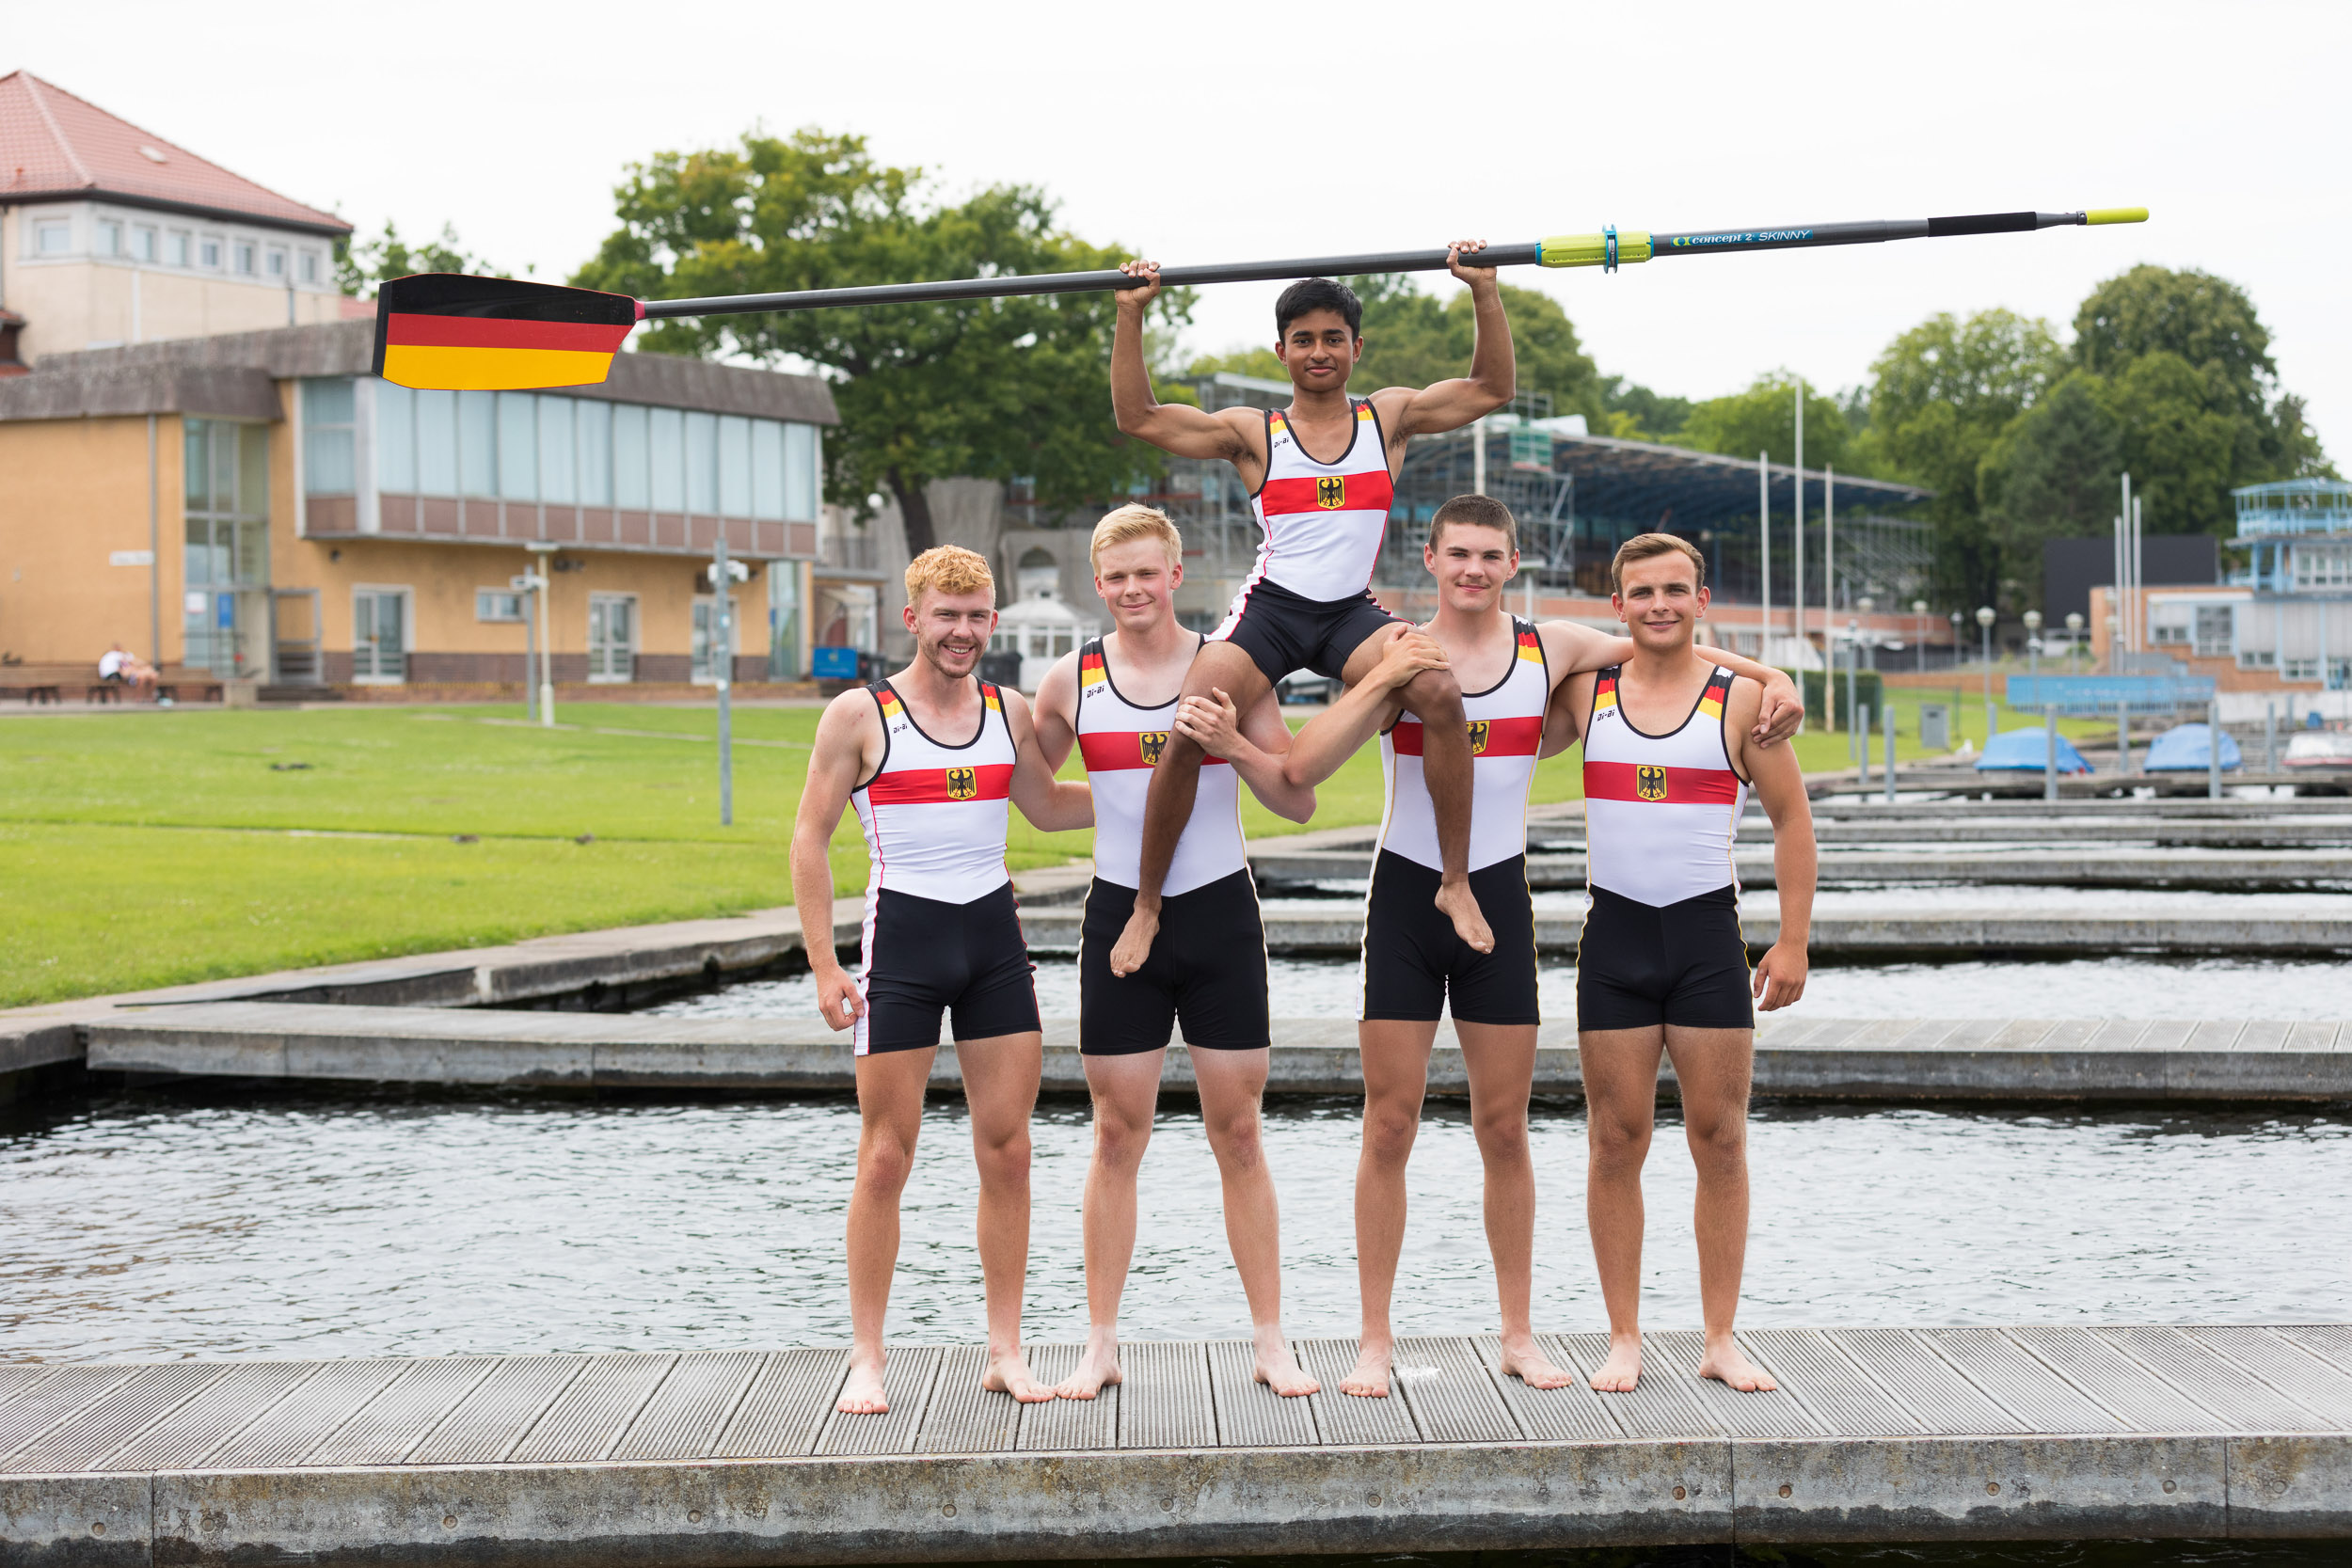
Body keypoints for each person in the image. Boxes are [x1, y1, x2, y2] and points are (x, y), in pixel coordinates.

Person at [1189, 497, 1801, 1398]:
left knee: (1504, 1127)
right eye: (1458, 555)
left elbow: (1666, 638)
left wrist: (1773, 673)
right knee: (1389, 1122)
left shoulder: (1549, 648)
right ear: (1429, 559)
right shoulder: (1393, 654)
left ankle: (1518, 1333)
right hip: (1405, 902)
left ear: (1514, 562)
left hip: (1499, 907)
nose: (1473, 570)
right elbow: (1302, 772)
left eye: (1490, 556)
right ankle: (1372, 1341)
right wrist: (1301, 716)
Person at [1106, 246, 1512, 982]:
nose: (1318, 351)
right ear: (1281, 350)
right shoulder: (1253, 432)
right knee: (1192, 724)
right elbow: (1137, 416)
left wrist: (1483, 290)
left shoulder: (1386, 419)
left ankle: (1454, 882)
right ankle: (1146, 901)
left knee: (1439, 691)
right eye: (1304, 339)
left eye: (1333, 338)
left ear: (1357, 348)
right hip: (1274, 611)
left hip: (1349, 612)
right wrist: (1131, 314)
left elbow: (1491, 387)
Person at [789, 545, 1094, 1415]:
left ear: (992, 622)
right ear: (913, 617)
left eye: (976, 616)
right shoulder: (860, 714)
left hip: (993, 945)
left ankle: (1005, 1349)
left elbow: (1046, 805)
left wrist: (1152, 776)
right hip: (905, 951)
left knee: (1009, 1149)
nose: (961, 632)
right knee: (886, 1156)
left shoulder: (1009, 710)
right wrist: (822, 962)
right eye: (945, 615)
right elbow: (810, 838)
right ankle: (867, 1356)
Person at [1028, 504, 1321, 1402]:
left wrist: (1231, 741)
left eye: (1146, 574)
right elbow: (1038, 803)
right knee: (1118, 1134)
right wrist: (1118, 804)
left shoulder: (1228, 671)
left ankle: (1271, 1341)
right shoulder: (1069, 681)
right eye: (1115, 577)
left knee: (1238, 1131)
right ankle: (1101, 1343)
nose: (1131, 591)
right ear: (1097, 582)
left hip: (1219, 915)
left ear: (1177, 572)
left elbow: (1297, 800)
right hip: (1120, 916)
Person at [1545, 532, 1817, 1394]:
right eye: (1641, 592)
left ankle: (1720, 1337)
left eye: (1675, 590)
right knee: (1615, 1140)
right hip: (1616, 942)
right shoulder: (1588, 693)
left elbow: (1792, 822)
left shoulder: (1743, 705)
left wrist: (1794, 937)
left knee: (1721, 1138)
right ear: (1616, 606)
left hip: (1705, 942)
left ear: (1703, 600)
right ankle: (1622, 1335)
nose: (1659, 604)